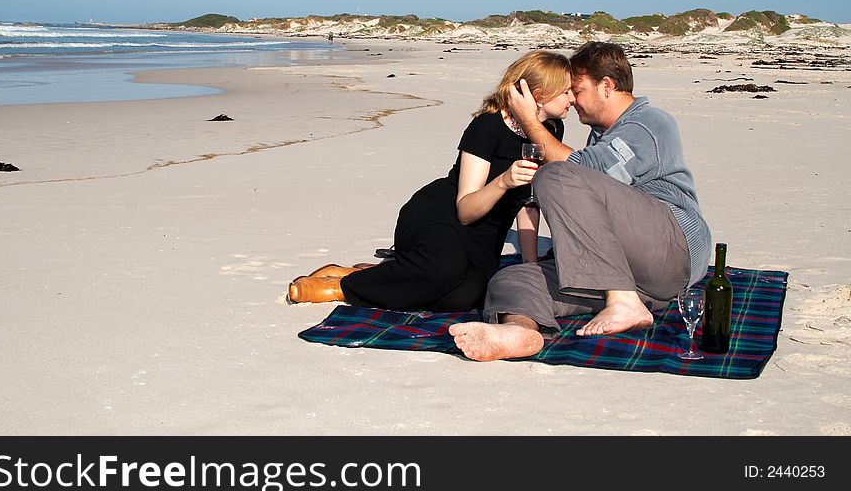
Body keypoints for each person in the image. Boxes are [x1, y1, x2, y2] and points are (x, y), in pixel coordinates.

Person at [450, 41, 712, 361]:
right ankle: (519, 331)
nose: (573, 100)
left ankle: (622, 301)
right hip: (637, 277)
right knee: (513, 278)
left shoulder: (648, 123)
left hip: (673, 249)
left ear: (606, 86)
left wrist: (528, 121)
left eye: (578, 89)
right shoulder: (600, 136)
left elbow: (576, 172)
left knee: (555, 176)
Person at [287, 50, 576, 312]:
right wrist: (503, 181)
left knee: (467, 296)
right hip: (441, 214)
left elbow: (528, 202)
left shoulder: (550, 131)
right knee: (443, 268)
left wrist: (530, 266)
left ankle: (365, 274)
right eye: (565, 92)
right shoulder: (486, 127)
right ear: (538, 94)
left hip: (484, 238)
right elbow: (465, 209)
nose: (572, 99)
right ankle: (342, 288)